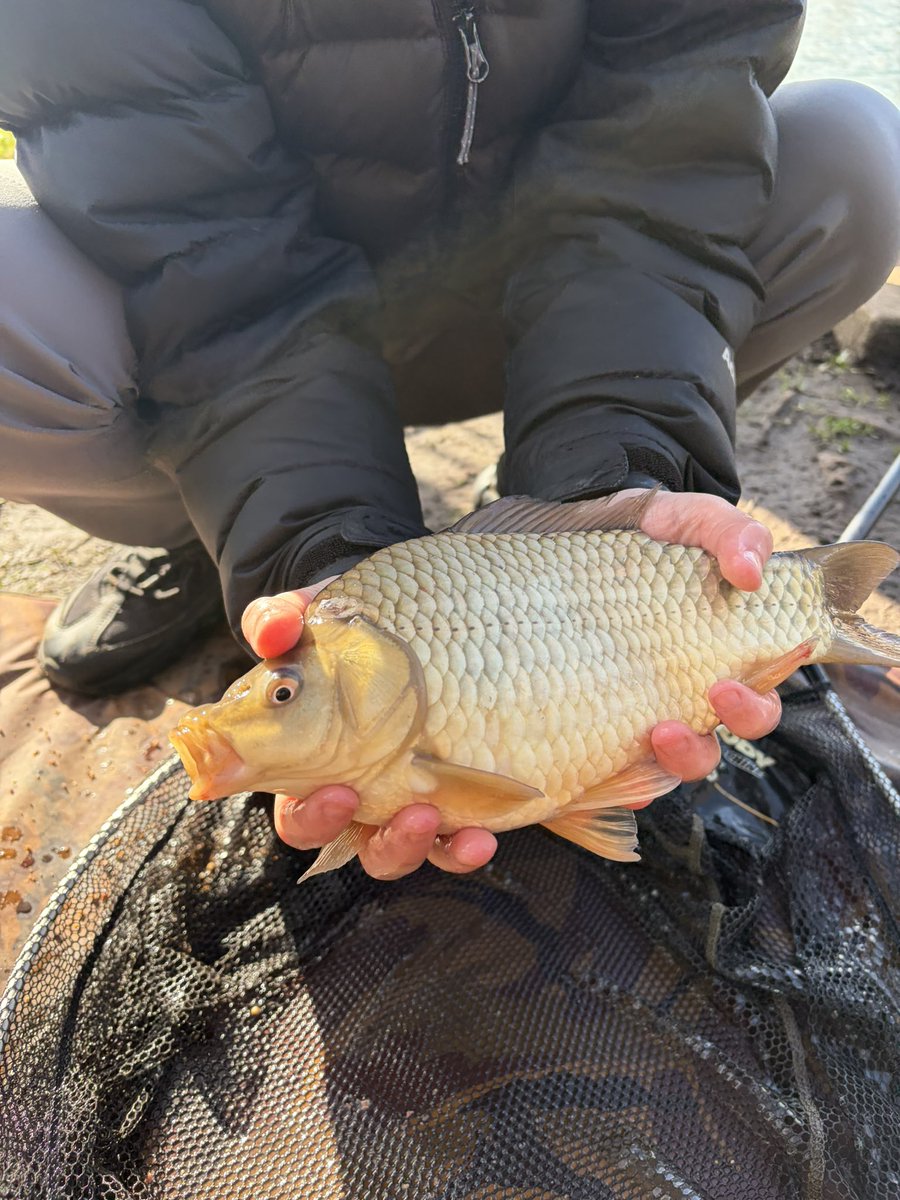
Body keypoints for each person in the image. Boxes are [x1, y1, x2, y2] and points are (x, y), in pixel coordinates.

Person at [1, 2, 898, 882]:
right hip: (257, 331)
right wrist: (315, 548)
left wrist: (621, 466)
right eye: (285, 692)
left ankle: (546, 497)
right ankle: (210, 539)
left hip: (546, 301)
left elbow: (659, 187)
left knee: (855, 150)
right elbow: (218, 280)